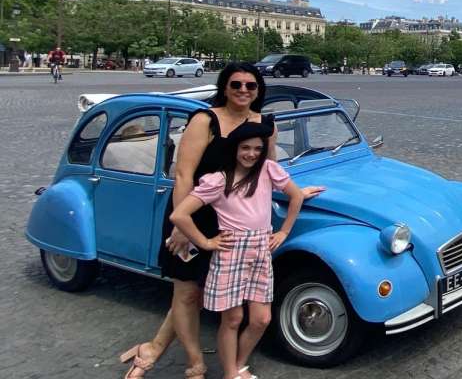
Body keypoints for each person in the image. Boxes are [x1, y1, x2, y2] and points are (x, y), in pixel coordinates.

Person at [118, 62, 325, 379]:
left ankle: (155, 348)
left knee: (208, 293)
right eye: (236, 84)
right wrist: (181, 227)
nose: (243, 90)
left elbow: (267, 170)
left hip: (235, 218)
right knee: (187, 293)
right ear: (224, 87)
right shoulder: (205, 119)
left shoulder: (264, 123)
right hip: (196, 212)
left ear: (259, 89)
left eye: (250, 85)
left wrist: (296, 191)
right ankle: (195, 364)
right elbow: (185, 173)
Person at [170, 122, 305, 379]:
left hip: (261, 248)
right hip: (232, 251)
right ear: (235, 149)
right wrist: (206, 242)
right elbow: (180, 214)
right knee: (232, 318)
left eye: (257, 148)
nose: (251, 154)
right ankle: (231, 373)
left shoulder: (268, 170)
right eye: (245, 148)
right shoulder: (219, 180)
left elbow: (296, 196)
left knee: (261, 318)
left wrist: (284, 231)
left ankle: (239, 363)